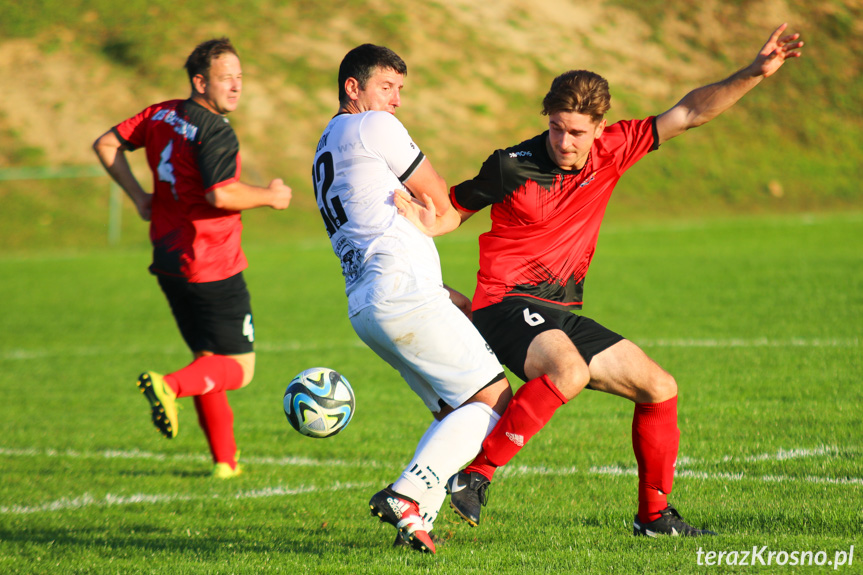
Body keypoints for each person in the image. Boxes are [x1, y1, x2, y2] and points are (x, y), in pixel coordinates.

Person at [396, 24, 803, 536]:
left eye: (577, 132)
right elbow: (455, 208)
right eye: (556, 128)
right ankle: (475, 476)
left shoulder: (617, 146)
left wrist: (753, 72)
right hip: (503, 304)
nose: (564, 142)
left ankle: (653, 518)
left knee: (659, 387)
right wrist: (422, 222)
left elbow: (692, 111)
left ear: (600, 126)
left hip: (556, 311)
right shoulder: (511, 165)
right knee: (569, 372)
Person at [313, 43, 513, 554]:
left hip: (369, 301)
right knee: (495, 399)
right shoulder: (370, 126)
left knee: (453, 411)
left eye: (401, 90)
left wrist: (437, 289)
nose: (396, 100)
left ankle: (415, 521)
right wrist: (442, 220)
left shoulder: (325, 146)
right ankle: (407, 494)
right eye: (386, 87)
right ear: (351, 88)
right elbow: (436, 194)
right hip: (401, 295)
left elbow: (371, 229)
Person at [92, 38, 292, 479]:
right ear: (200, 82)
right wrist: (271, 197)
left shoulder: (160, 113)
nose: (237, 86)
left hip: (168, 259)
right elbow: (220, 193)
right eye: (226, 78)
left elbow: (106, 144)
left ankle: (225, 462)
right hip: (211, 263)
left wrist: (139, 198)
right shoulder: (215, 129)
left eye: (240, 77)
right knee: (238, 370)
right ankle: (169, 386)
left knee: (207, 359)